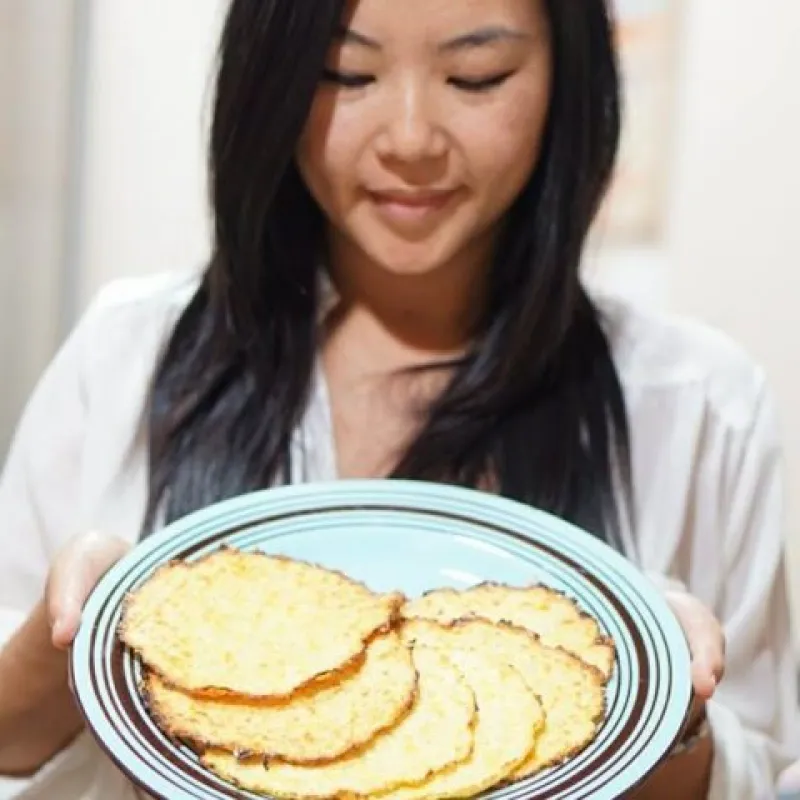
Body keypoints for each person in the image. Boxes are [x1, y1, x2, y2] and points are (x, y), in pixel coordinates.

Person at [0, 0, 797, 797]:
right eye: (346, 73)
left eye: (475, 76)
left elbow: (761, 772)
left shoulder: (699, 409)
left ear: (569, 73)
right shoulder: (125, 357)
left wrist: (669, 717)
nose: (410, 139)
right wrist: (71, 637)